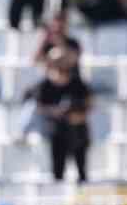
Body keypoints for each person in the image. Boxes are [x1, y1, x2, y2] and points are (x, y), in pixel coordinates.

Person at [28, 52, 92, 183]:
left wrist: (79, 115)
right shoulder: (45, 85)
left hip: (78, 130)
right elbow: (38, 106)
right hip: (56, 131)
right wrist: (54, 112)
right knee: (58, 171)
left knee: (81, 168)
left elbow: (89, 102)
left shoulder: (77, 83)